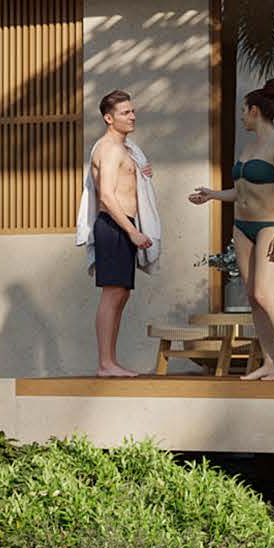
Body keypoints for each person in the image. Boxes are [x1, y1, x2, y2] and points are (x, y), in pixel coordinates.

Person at [190, 78, 274, 380]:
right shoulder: (249, 147)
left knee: (266, 295)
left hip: (269, 226)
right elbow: (241, 191)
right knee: (253, 297)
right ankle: (269, 363)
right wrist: (212, 195)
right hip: (242, 227)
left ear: (255, 111)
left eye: (244, 110)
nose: (241, 116)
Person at [77, 87, 161, 377]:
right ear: (109, 118)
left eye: (133, 111)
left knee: (121, 294)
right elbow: (107, 196)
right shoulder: (109, 149)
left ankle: (110, 361)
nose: (132, 116)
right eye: (125, 112)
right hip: (114, 225)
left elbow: (130, 181)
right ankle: (105, 363)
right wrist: (131, 231)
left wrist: (142, 174)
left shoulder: (125, 150)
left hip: (123, 225)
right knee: (112, 294)